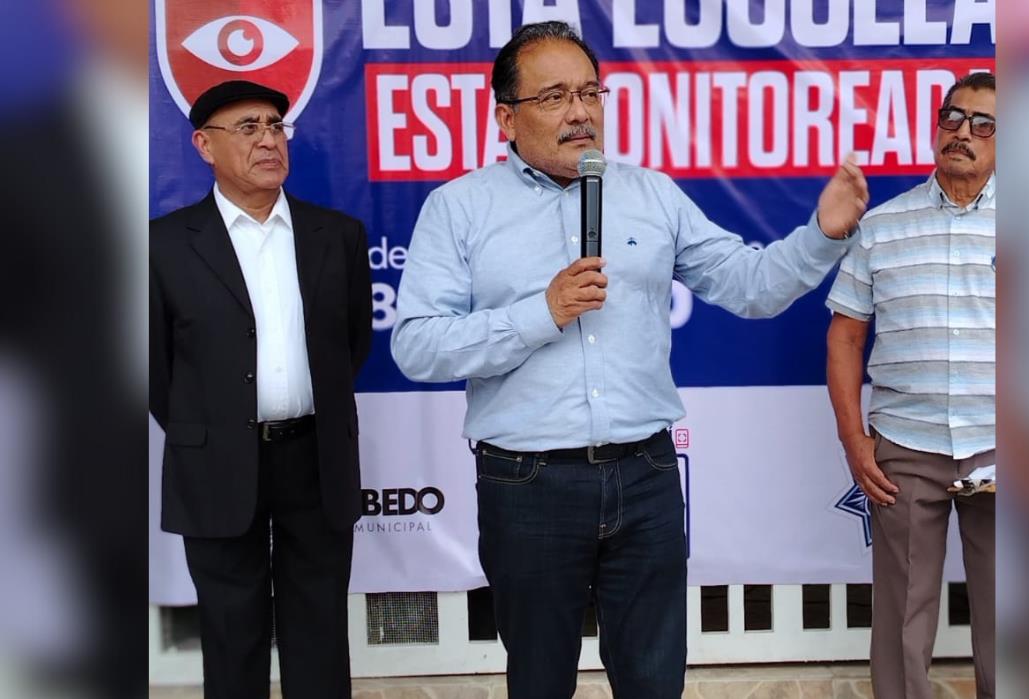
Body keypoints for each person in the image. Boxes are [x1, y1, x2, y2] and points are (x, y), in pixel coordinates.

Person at [391, 21, 868, 698]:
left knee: (653, 680)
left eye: (590, 92)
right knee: (539, 679)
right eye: (554, 97)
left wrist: (822, 234)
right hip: (527, 484)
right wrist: (541, 312)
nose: (581, 111)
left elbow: (751, 286)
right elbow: (416, 344)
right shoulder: (458, 208)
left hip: (644, 475)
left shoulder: (650, 192)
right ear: (506, 116)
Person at [149, 80, 372, 699]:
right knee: (231, 629)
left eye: (276, 126)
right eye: (248, 128)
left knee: (319, 626)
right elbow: (154, 369)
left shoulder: (338, 235)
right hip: (216, 459)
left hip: (314, 457)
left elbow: (351, 345)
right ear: (204, 145)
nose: (269, 139)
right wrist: (212, 425)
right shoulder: (163, 245)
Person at [825, 72, 996, 698]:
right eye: (953, 118)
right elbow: (845, 338)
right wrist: (853, 439)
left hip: (1008, 451)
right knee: (901, 623)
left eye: (984, 124)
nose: (963, 133)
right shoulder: (883, 226)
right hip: (904, 448)